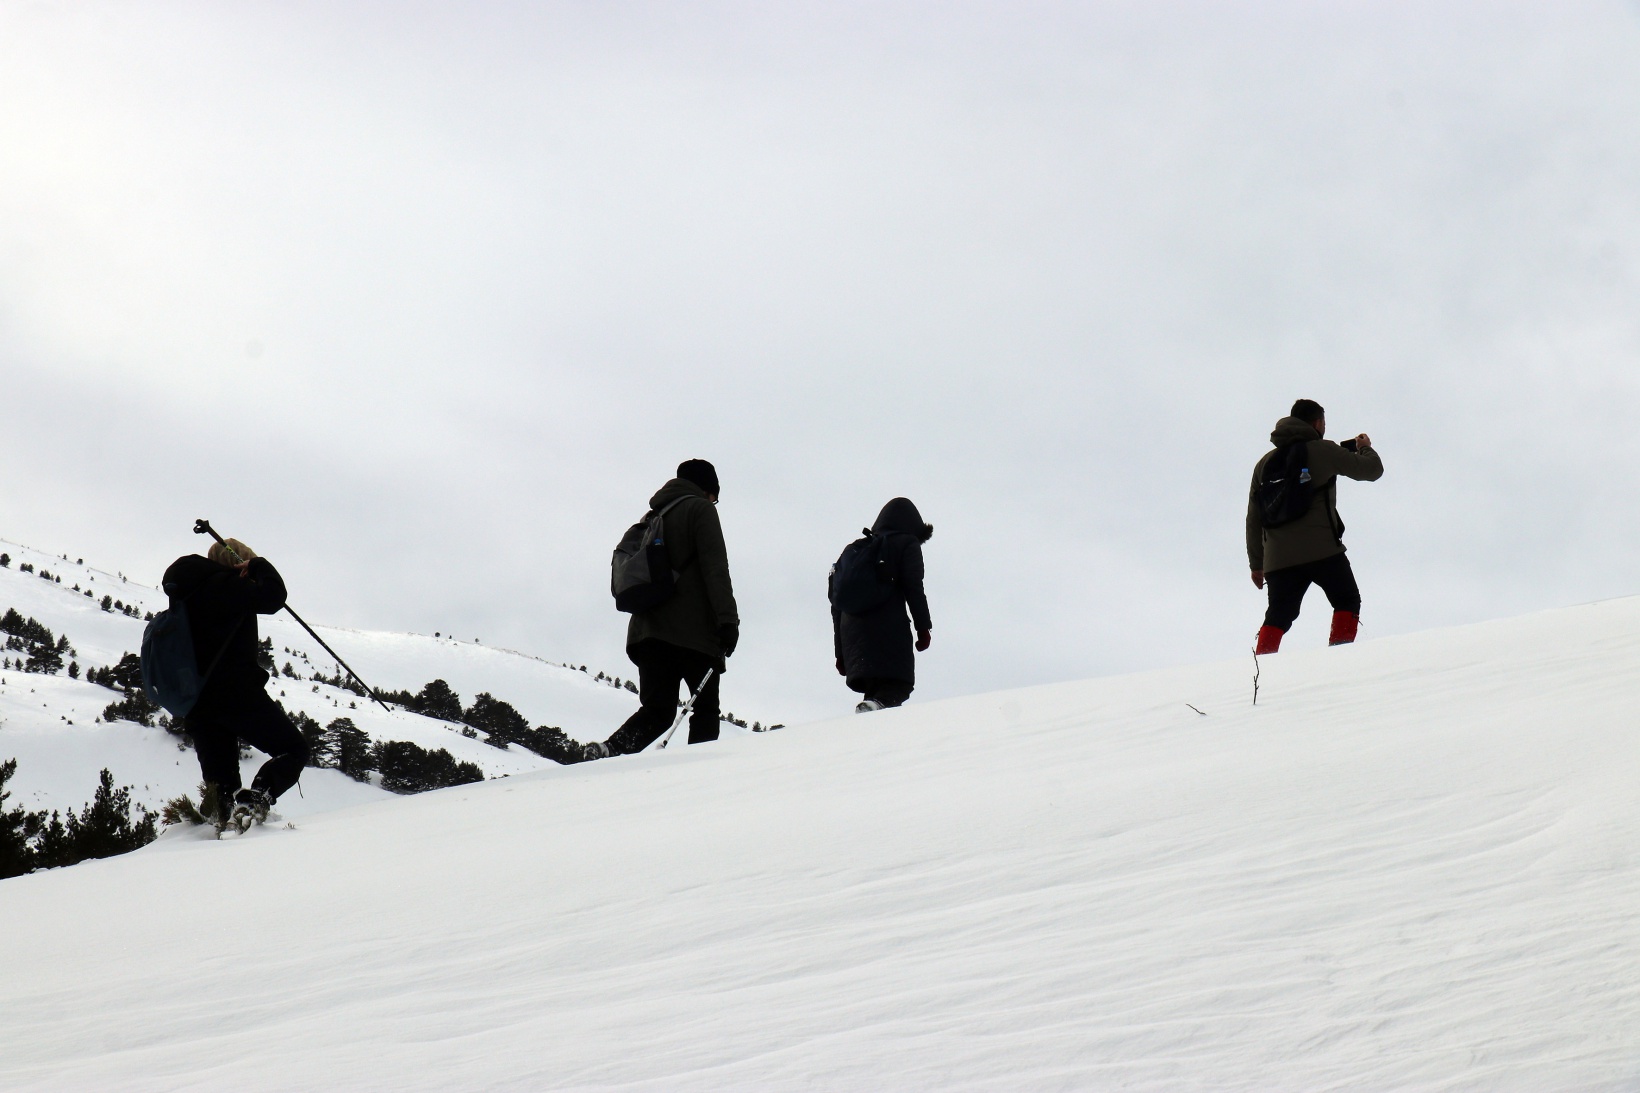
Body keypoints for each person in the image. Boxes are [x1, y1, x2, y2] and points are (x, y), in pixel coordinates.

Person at [546, 460, 740, 763]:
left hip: (647, 632)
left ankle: (609, 752)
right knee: (704, 709)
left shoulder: (652, 517)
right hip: (693, 632)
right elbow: (716, 569)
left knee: (657, 712)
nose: (714, 502)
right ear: (706, 489)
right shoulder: (700, 510)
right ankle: (699, 779)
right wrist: (728, 621)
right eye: (714, 495)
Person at [161, 537, 309, 828]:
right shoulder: (223, 585)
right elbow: (273, 597)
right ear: (235, 564)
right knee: (294, 750)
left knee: (221, 792)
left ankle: (210, 834)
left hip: (198, 703)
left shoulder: (187, 593)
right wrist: (259, 566)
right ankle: (255, 802)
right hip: (236, 695)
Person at [1247, 399, 1384, 653]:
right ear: (1316, 423)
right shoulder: (1324, 450)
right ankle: (1339, 653)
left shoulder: (1263, 465)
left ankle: (1261, 666)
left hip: (1279, 559)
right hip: (1322, 551)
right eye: (1323, 422)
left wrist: (1257, 564)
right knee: (1346, 599)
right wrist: (1365, 448)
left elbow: (1253, 518)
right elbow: (1372, 470)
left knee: (1278, 616)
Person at [832, 497, 933, 712]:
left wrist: (840, 652)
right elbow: (914, 587)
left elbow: (836, 602)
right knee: (898, 685)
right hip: (887, 627)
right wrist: (923, 628)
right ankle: (875, 708)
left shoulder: (856, 550)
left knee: (875, 688)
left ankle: (870, 721)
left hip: (852, 634)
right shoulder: (906, 543)